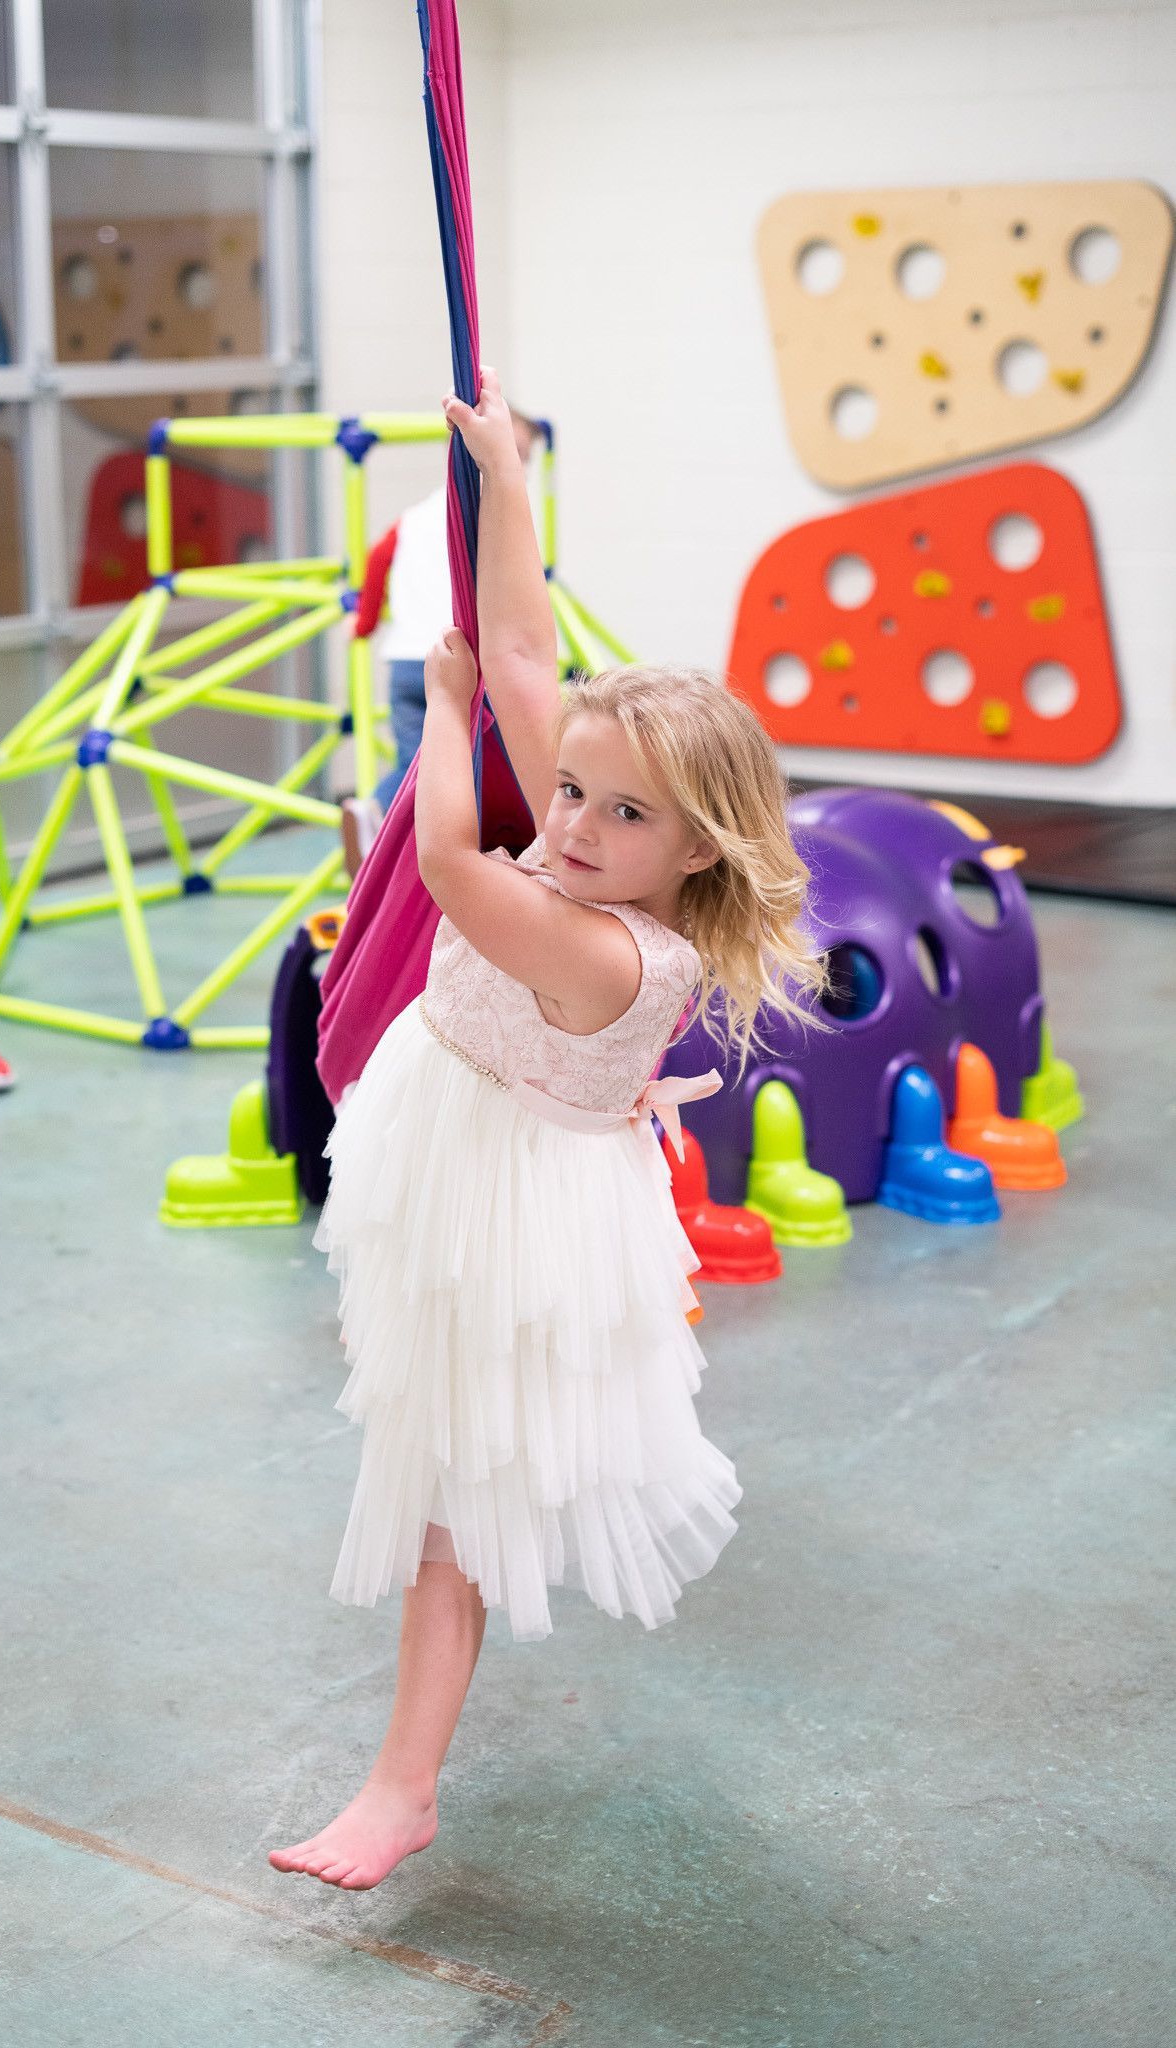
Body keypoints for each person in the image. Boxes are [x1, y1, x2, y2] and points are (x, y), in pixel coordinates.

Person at [270, 368, 827, 1893]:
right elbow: (523, 643)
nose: (571, 824)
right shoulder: (594, 854)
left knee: (446, 1505)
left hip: (521, 1209)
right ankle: (400, 1778)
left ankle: (400, 1787)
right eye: (567, 789)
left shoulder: (609, 947)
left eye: (617, 816)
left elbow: (451, 856)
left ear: (699, 844)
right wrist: (503, 475)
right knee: (426, 1451)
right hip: (446, 1143)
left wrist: (447, 714)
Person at [339, 407, 542, 877]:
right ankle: (475, 852)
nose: (520, 465)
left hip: (407, 661)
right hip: (460, 662)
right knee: (472, 764)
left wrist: (365, 624)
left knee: (419, 760)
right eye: (515, 453)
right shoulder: (493, 517)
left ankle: (377, 810)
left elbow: (376, 562)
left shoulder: (414, 516)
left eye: (524, 455)